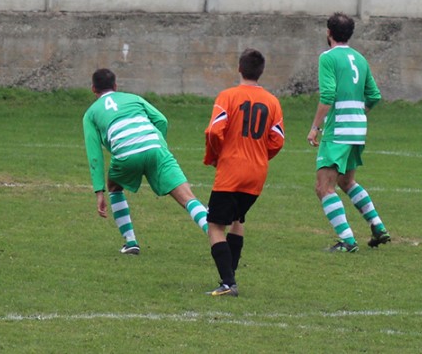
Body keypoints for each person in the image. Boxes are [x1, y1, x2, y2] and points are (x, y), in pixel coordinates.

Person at [82, 68, 209, 257]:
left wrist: (99, 191)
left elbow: (95, 155)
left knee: (114, 186)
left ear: (93, 89)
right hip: (155, 148)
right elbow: (162, 120)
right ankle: (214, 233)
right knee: (186, 197)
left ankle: (131, 241)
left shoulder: (90, 114)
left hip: (126, 155)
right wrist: (158, 146)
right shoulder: (133, 98)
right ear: (116, 86)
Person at [203, 49, 284, 297]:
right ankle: (231, 277)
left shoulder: (228, 97)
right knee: (238, 219)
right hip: (256, 173)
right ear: (261, 72)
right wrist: (260, 155)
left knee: (215, 225)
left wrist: (216, 155)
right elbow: (277, 140)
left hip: (231, 171)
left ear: (239, 68)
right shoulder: (272, 102)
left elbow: (214, 132)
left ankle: (228, 283)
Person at [307, 12, 389, 253]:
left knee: (324, 187)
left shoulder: (328, 58)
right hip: (357, 128)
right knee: (346, 181)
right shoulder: (359, 58)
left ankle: (347, 241)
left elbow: (328, 95)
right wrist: (359, 113)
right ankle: (378, 227)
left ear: (329, 33)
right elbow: (374, 95)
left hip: (339, 129)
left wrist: (315, 128)